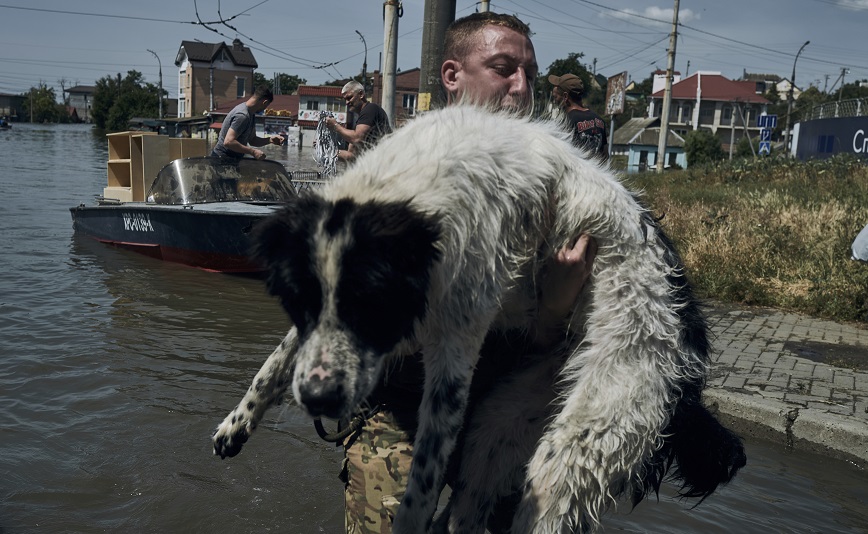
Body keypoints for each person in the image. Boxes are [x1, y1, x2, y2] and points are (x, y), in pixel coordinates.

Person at [338, 12, 596, 534]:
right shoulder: (402, 171)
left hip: (500, 422)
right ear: (452, 75)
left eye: (529, 71)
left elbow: (550, 348)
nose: (521, 88)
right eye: (503, 68)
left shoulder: (555, 189)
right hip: (402, 416)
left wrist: (556, 304)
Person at [210, 86, 284, 161]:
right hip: (221, 159)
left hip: (232, 159)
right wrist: (253, 152)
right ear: (264, 102)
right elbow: (228, 142)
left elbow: (252, 140)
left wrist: (270, 140)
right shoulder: (242, 115)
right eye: (266, 106)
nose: (265, 109)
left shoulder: (251, 114)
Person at [548, 73, 609, 161]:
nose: (554, 101)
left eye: (555, 97)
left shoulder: (566, 122)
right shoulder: (599, 121)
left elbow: (558, 157)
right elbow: (605, 157)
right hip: (594, 173)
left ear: (565, 96)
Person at [325, 80, 392, 161]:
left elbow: (357, 138)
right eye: (345, 99)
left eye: (349, 98)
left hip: (385, 162)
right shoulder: (360, 121)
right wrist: (326, 150)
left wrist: (335, 126)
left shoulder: (370, 109)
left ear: (361, 94)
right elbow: (351, 156)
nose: (347, 103)